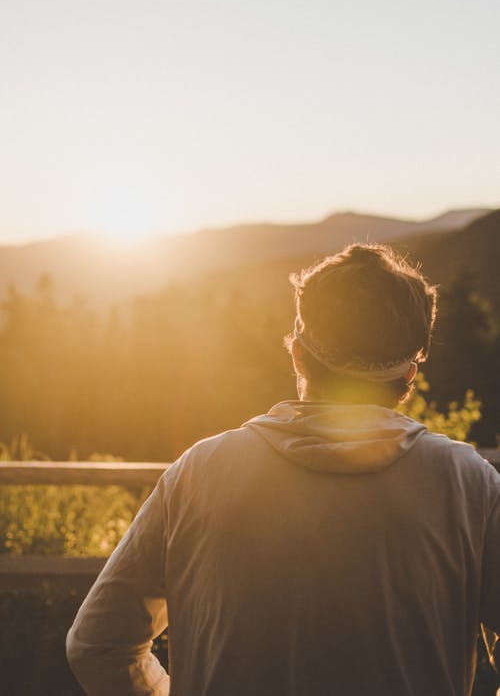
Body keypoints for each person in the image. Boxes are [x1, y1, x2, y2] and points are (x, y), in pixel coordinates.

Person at [66, 243, 500, 696]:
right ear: (410, 375)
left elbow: (97, 645)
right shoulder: (468, 484)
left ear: (297, 356)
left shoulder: (200, 473)